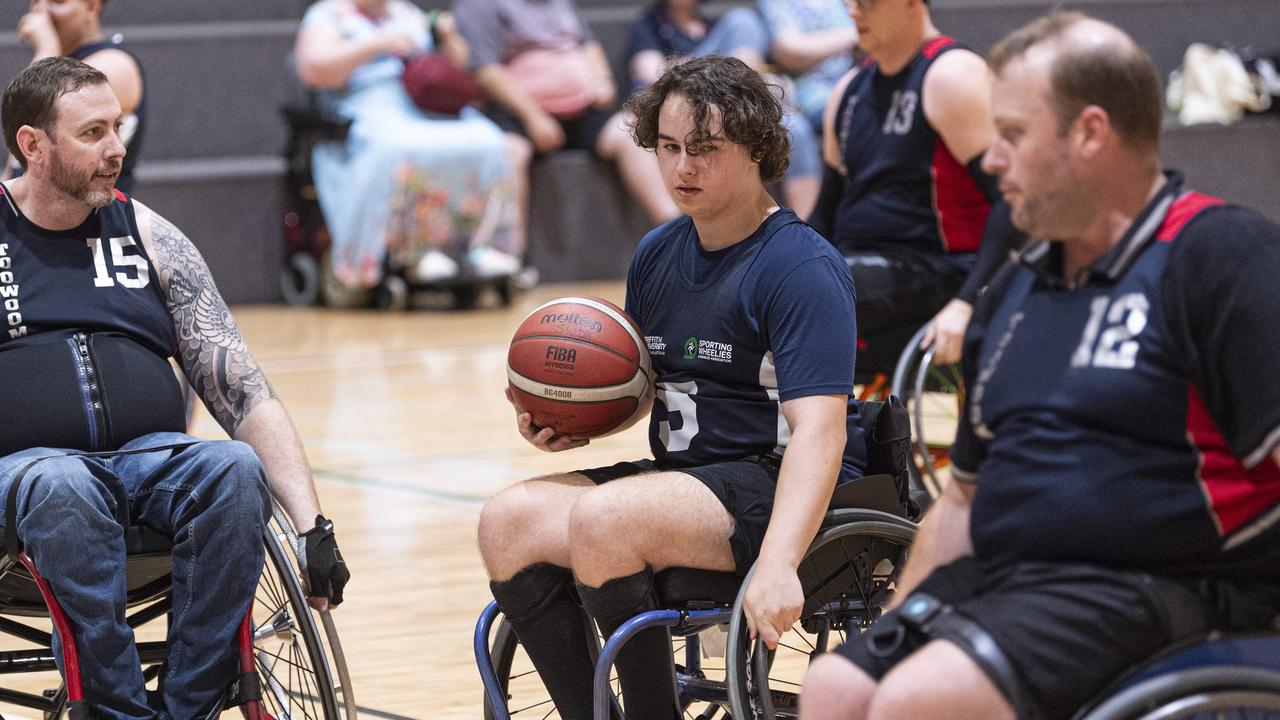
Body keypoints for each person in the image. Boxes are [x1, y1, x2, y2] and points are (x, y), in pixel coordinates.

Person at [799, 12, 1280, 720]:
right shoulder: (1018, 285)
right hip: (1011, 580)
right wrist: (896, 623)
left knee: (918, 702)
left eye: (1013, 137)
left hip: (1164, 583)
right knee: (836, 686)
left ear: (1089, 134)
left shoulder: (1219, 255)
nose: (991, 160)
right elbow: (960, 501)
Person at [477, 55, 868, 720]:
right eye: (668, 147)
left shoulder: (801, 267)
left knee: (607, 520)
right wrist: (575, 423)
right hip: (687, 478)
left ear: (755, 148)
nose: (682, 168)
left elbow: (821, 430)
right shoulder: (658, 252)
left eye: (705, 150)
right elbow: (663, 389)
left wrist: (778, 562)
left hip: (775, 481)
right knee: (507, 521)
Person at [0, 57, 350, 719]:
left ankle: (190, 708)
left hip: (147, 463)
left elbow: (243, 391)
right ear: (33, 146)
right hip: (26, 481)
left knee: (233, 467)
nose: (116, 149)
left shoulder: (152, 236)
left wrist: (312, 525)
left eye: (119, 128)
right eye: (93, 133)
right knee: (63, 485)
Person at [809, 0, 1020, 365]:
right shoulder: (847, 89)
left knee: (813, 291)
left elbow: (1010, 202)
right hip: (859, 265)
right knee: (767, 281)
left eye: (867, 2)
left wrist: (965, 302)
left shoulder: (952, 74)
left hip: (941, 271)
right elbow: (822, 216)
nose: (854, 12)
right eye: (850, 1)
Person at [294, 0, 528, 290]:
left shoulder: (406, 13)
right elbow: (313, 71)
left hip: (423, 102)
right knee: (401, 146)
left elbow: (464, 66)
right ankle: (416, 250)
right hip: (365, 104)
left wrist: (448, 38)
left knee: (489, 140)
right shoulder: (328, 15)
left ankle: (480, 246)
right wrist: (375, 45)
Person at [453, 0, 680, 225]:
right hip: (518, 113)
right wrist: (533, 117)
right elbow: (484, 70)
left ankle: (676, 227)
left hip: (583, 110)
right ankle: (508, 254)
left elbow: (586, 42)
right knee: (508, 152)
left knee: (629, 131)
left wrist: (602, 80)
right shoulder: (478, 5)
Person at [626, 0, 824, 217]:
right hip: (683, 104)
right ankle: (753, 89)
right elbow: (653, 75)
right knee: (742, 20)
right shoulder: (650, 24)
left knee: (796, 127)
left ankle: (807, 224)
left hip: (722, 110)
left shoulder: (710, 25)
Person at [10, 0, 145, 193]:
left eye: (56, 2)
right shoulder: (64, 65)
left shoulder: (115, 63)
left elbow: (34, 114)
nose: (41, 11)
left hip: (95, 218)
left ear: (91, 7)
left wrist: (47, 49)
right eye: (36, 1)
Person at [757, 0, 859, 132]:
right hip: (811, 94)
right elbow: (789, 51)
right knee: (860, 116)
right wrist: (853, 34)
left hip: (853, 84)